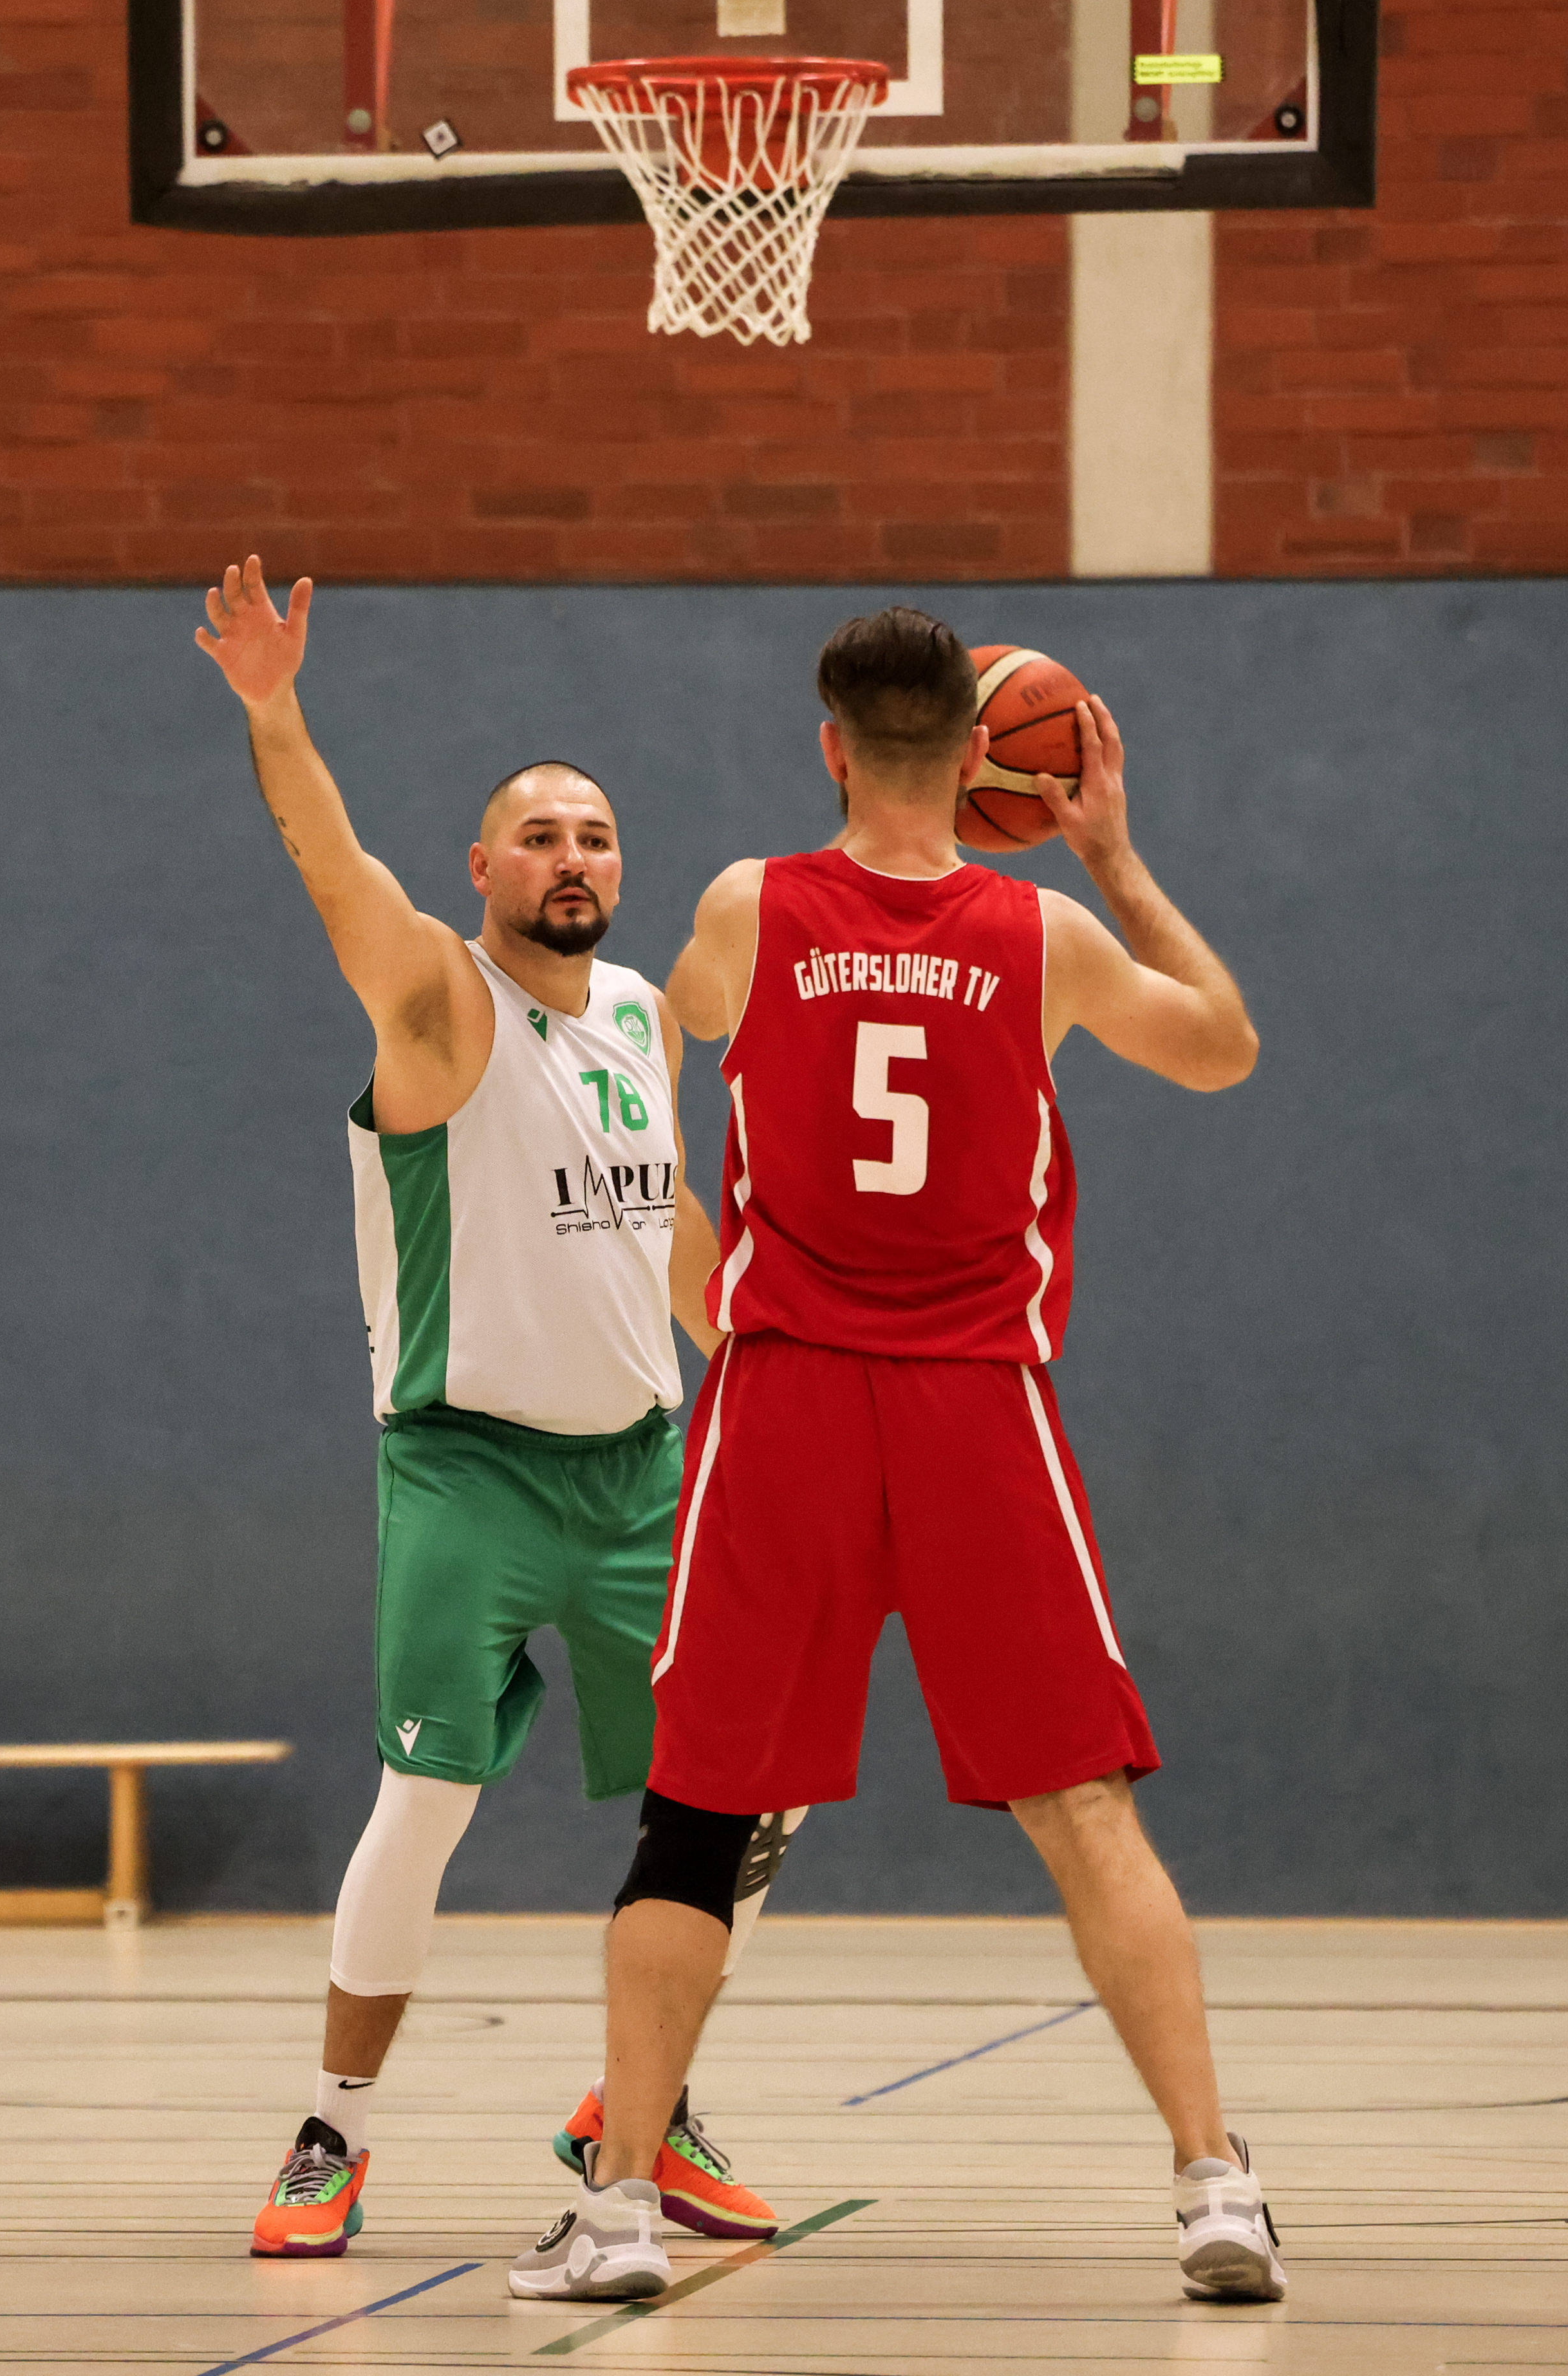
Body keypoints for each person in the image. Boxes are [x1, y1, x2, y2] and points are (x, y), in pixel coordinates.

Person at [510, 608, 1284, 2308]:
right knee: (1083, 1807)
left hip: (786, 1400)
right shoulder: (1045, 936)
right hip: (977, 1408)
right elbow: (1225, 1046)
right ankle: (1214, 2186)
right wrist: (1116, 859)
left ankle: (621, 2212)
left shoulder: (750, 906)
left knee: (697, 1815)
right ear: (989, 759)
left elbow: (674, 1023)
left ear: (832, 748)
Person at [194, 556, 793, 2261]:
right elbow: (334, 867)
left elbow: (663, 1228)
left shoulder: (643, 1018)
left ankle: (640, 2111)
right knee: (429, 1799)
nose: (572, 857)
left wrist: (767, 1356)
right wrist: (274, 710)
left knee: (750, 1798)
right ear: (483, 870)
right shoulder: (439, 1001)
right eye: (538, 836)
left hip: (645, 1472)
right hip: (465, 1468)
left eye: (595, 835)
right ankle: (333, 2128)